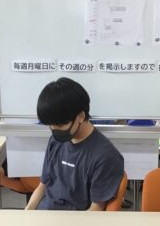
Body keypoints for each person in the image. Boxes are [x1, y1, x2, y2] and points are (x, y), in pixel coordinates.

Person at [26, 77, 124, 211]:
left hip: (76, 221)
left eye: (61, 125)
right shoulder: (56, 141)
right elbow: (43, 184)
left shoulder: (105, 156)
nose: (55, 130)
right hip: (46, 215)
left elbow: (96, 209)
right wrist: (27, 212)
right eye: (50, 125)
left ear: (81, 117)